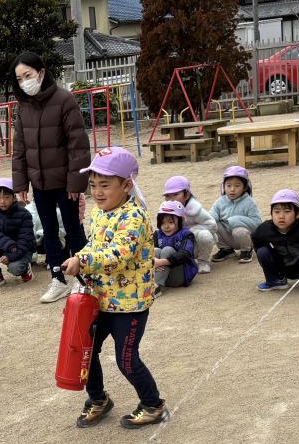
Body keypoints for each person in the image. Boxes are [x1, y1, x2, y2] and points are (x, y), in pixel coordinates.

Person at [62, 148, 167, 429]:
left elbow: (119, 253)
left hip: (130, 304)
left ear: (127, 185)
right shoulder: (99, 213)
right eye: (93, 184)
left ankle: (153, 404)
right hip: (100, 299)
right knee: (87, 350)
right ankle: (98, 399)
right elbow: (93, 245)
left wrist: (84, 261)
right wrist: (79, 256)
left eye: (105, 185)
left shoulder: (134, 217)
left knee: (126, 359)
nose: (97, 192)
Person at [10, 51, 91, 303]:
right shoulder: (23, 107)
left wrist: (76, 182)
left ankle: (83, 279)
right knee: (49, 231)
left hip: (66, 182)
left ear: (42, 72)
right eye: (19, 79)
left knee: (74, 229)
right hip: (40, 182)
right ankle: (58, 278)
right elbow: (19, 148)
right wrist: (21, 183)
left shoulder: (65, 100)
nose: (25, 82)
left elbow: (78, 145)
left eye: (28, 75)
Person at [251, 188, 299, 292]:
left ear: (298, 214)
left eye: (287, 211)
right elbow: (256, 239)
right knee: (262, 251)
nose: (281, 216)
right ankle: (274, 281)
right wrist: (267, 255)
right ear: (271, 213)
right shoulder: (265, 228)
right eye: (276, 212)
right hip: (282, 267)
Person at [0, 178, 35, 288]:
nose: (2, 201)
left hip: (21, 250)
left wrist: (10, 255)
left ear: (14, 197)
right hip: (6, 247)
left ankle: (25, 269)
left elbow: (25, 241)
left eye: (6, 197)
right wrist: (9, 246)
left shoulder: (24, 214)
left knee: (15, 268)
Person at [161, 176, 216, 272]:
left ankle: (203, 262)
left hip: (196, 243)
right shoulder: (166, 210)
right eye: (168, 195)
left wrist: (190, 232)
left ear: (186, 195)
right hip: (179, 243)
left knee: (205, 235)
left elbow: (212, 225)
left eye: (176, 194)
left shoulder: (195, 210)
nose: (171, 199)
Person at [210, 165, 262, 263]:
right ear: (223, 186)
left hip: (243, 238)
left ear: (245, 187)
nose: (232, 189)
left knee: (239, 231)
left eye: (237, 186)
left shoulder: (249, 203)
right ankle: (226, 249)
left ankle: (246, 250)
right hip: (227, 236)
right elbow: (212, 215)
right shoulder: (220, 201)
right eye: (228, 185)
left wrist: (236, 221)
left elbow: (257, 224)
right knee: (213, 224)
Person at [153, 200, 198, 292]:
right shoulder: (157, 234)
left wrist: (161, 262)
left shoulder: (186, 234)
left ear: (181, 221)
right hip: (162, 275)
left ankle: (155, 287)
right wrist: (154, 260)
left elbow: (185, 254)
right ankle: (154, 283)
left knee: (167, 250)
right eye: (162, 223)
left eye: (170, 222)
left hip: (179, 276)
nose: (166, 226)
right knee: (155, 250)